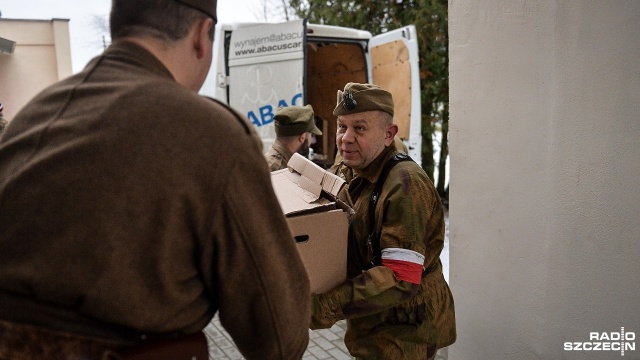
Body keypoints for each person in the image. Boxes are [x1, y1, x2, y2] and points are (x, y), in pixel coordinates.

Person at [0, 0, 310, 359]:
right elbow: (279, 336)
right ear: (200, 36)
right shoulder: (212, 134)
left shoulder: (32, 116)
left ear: (120, 27)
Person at [310, 82, 456, 359]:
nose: (346, 138)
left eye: (360, 128)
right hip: (375, 321)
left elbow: (400, 277)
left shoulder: (405, 186)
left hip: (405, 333)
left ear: (389, 134)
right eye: (342, 126)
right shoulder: (351, 166)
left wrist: (319, 307)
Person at [264, 104, 322, 171]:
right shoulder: (275, 168)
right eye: (310, 135)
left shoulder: (284, 162)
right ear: (302, 137)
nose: (310, 141)